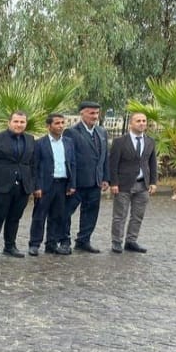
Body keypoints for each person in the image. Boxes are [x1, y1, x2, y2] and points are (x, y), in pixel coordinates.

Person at [0, 111, 36, 258]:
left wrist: (31, 184)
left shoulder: (30, 139)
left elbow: (33, 164)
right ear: (9, 122)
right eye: (16, 121)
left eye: (22, 122)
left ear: (26, 124)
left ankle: (10, 246)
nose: (19, 125)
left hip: (22, 186)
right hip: (2, 185)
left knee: (15, 217)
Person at [64, 101, 110, 253]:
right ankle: (64, 241)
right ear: (82, 113)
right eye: (91, 113)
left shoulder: (102, 132)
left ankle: (83, 241)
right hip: (77, 183)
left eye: (97, 113)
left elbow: (105, 157)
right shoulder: (72, 132)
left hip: (95, 182)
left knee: (91, 213)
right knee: (66, 213)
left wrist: (105, 178)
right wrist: (71, 182)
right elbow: (69, 159)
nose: (95, 116)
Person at [28, 113, 77, 256]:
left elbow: (72, 164)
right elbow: (35, 166)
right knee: (39, 216)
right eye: (57, 123)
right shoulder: (40, 144)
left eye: (62, 123)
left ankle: (51, 243)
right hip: (45, 185)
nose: (60, 126)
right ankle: (34, 244)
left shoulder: (68, 142)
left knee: (57, 216)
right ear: (48, 126)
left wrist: (72, 184)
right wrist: (36, 186)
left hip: (62, 184)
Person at [109, 112, 158, 253]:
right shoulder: (120, 142)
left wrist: (153, 182)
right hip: (123, 184)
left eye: (144, 121)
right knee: (120, 216)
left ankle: (131, 241)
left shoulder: (150, 141)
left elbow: (152, 163)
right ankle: (116, 242)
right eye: (138, 121)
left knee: (138, 216)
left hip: (143, 185)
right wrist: (114, 183)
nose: (142, 123)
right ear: (131, 123)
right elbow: (113, 164)